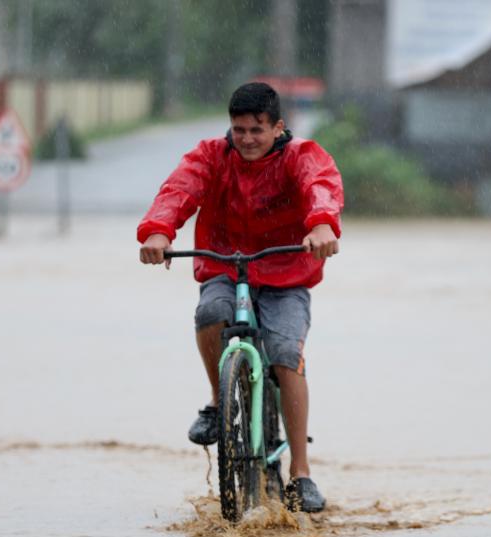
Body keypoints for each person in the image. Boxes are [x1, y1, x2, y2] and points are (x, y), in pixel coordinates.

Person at [136, 81, 344, 513]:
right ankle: (218, 401)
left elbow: (320, 184)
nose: (247, 139)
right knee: (211, 311)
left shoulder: (301, 155)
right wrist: (158, 230)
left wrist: (322, 223)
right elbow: (179, 189)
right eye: (239, 130)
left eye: (257, 130)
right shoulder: (211, 156)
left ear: (278, 128)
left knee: (286, 353)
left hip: (287, 272)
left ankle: (300, 473)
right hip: (224, 265)